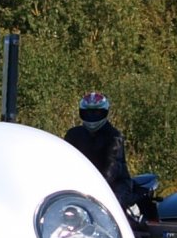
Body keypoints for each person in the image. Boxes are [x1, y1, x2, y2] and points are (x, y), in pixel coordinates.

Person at [63, 91, 154, 219]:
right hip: (82, 181)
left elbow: (112, 166)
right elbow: (65, 160)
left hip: (114, 183)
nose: (92, 116)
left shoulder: (113, 136)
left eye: (96, 113)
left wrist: (97, 184)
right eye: (88, 112)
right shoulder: (73, 134)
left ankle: (126, 230)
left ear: (105, 113)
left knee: (111, 206)